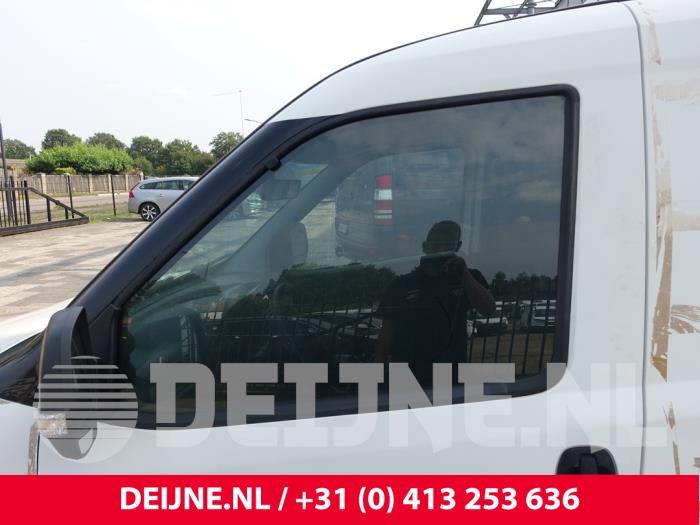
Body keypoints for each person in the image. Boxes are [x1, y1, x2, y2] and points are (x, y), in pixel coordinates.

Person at [375, 220, 495, 387]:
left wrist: (464, 273)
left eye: (448, 245)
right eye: (436, 245)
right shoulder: (401, 284)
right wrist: (378, 377)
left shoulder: (468, 278)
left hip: (451, 376)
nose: (441, 250)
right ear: (425, 247)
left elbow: (488, 309)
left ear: (458, 246)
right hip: (406, 376)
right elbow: (386, 334)